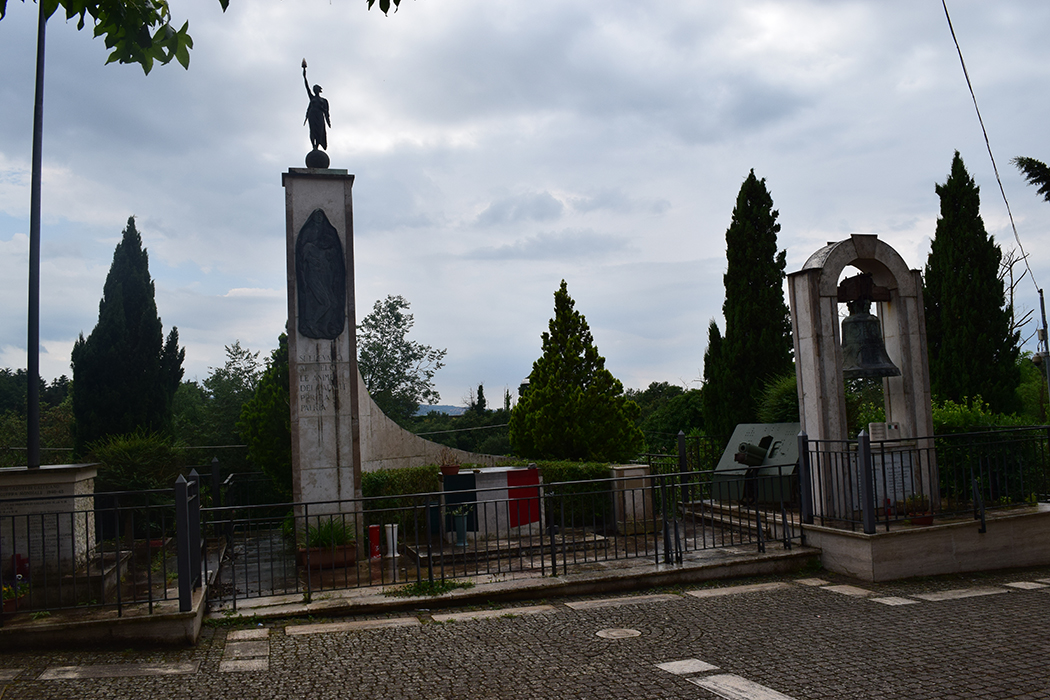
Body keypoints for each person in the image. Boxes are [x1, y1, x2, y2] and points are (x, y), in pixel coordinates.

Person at [303, 66, 331, 151]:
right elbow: (307, 87)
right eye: (314, 89)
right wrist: (304, 76)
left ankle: (318, 145)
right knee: (312, 130)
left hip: (319, 115)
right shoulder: (312, 98)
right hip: (312, 115)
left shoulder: (324, 100)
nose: (314, 90)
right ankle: (313, 146)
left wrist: (328, 120)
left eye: (316, 89)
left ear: (319, 90)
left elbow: (326, 112)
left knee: (320, 131)